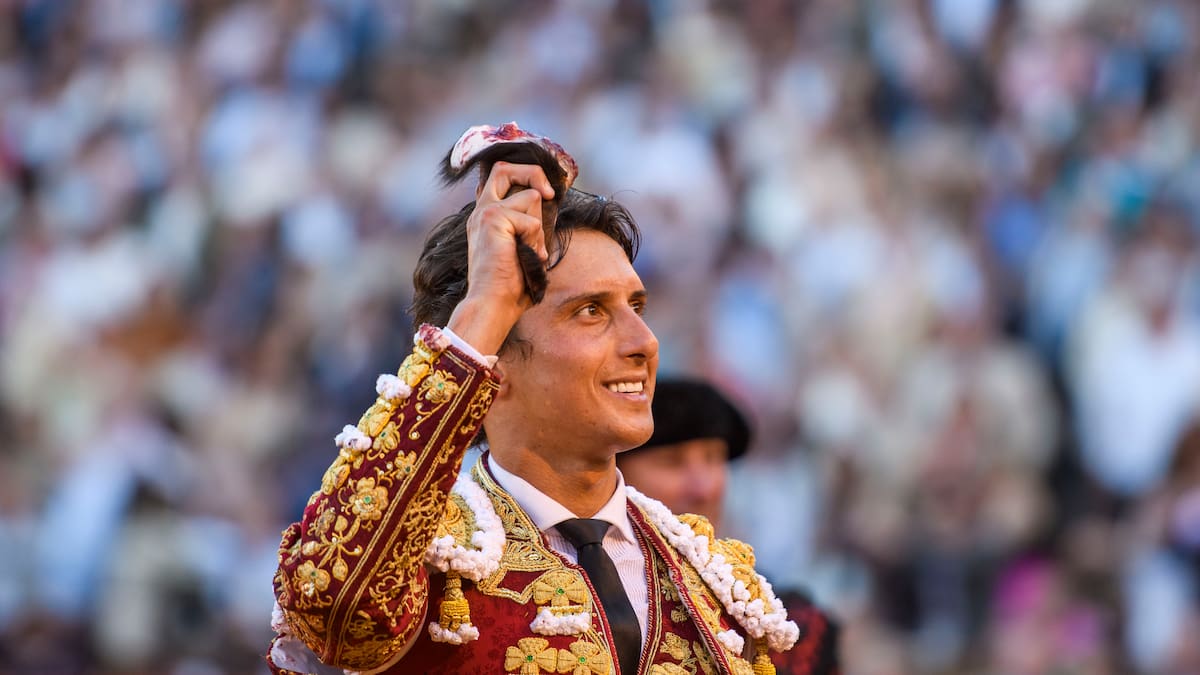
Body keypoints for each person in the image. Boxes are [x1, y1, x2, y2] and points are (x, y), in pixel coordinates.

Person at [265, 151, 801, 674]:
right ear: (493, 361)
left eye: (636, 307)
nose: (645, 342)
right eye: (591, 311)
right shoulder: (421, 557)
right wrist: (485, 308)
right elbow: (329, 600)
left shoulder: (714, 583)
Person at [617, 378, 841, 675]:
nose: (704, 489)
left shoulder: (791, 625)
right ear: (615, 471)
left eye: (713, 458)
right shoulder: (581, 598)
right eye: (672, 462)